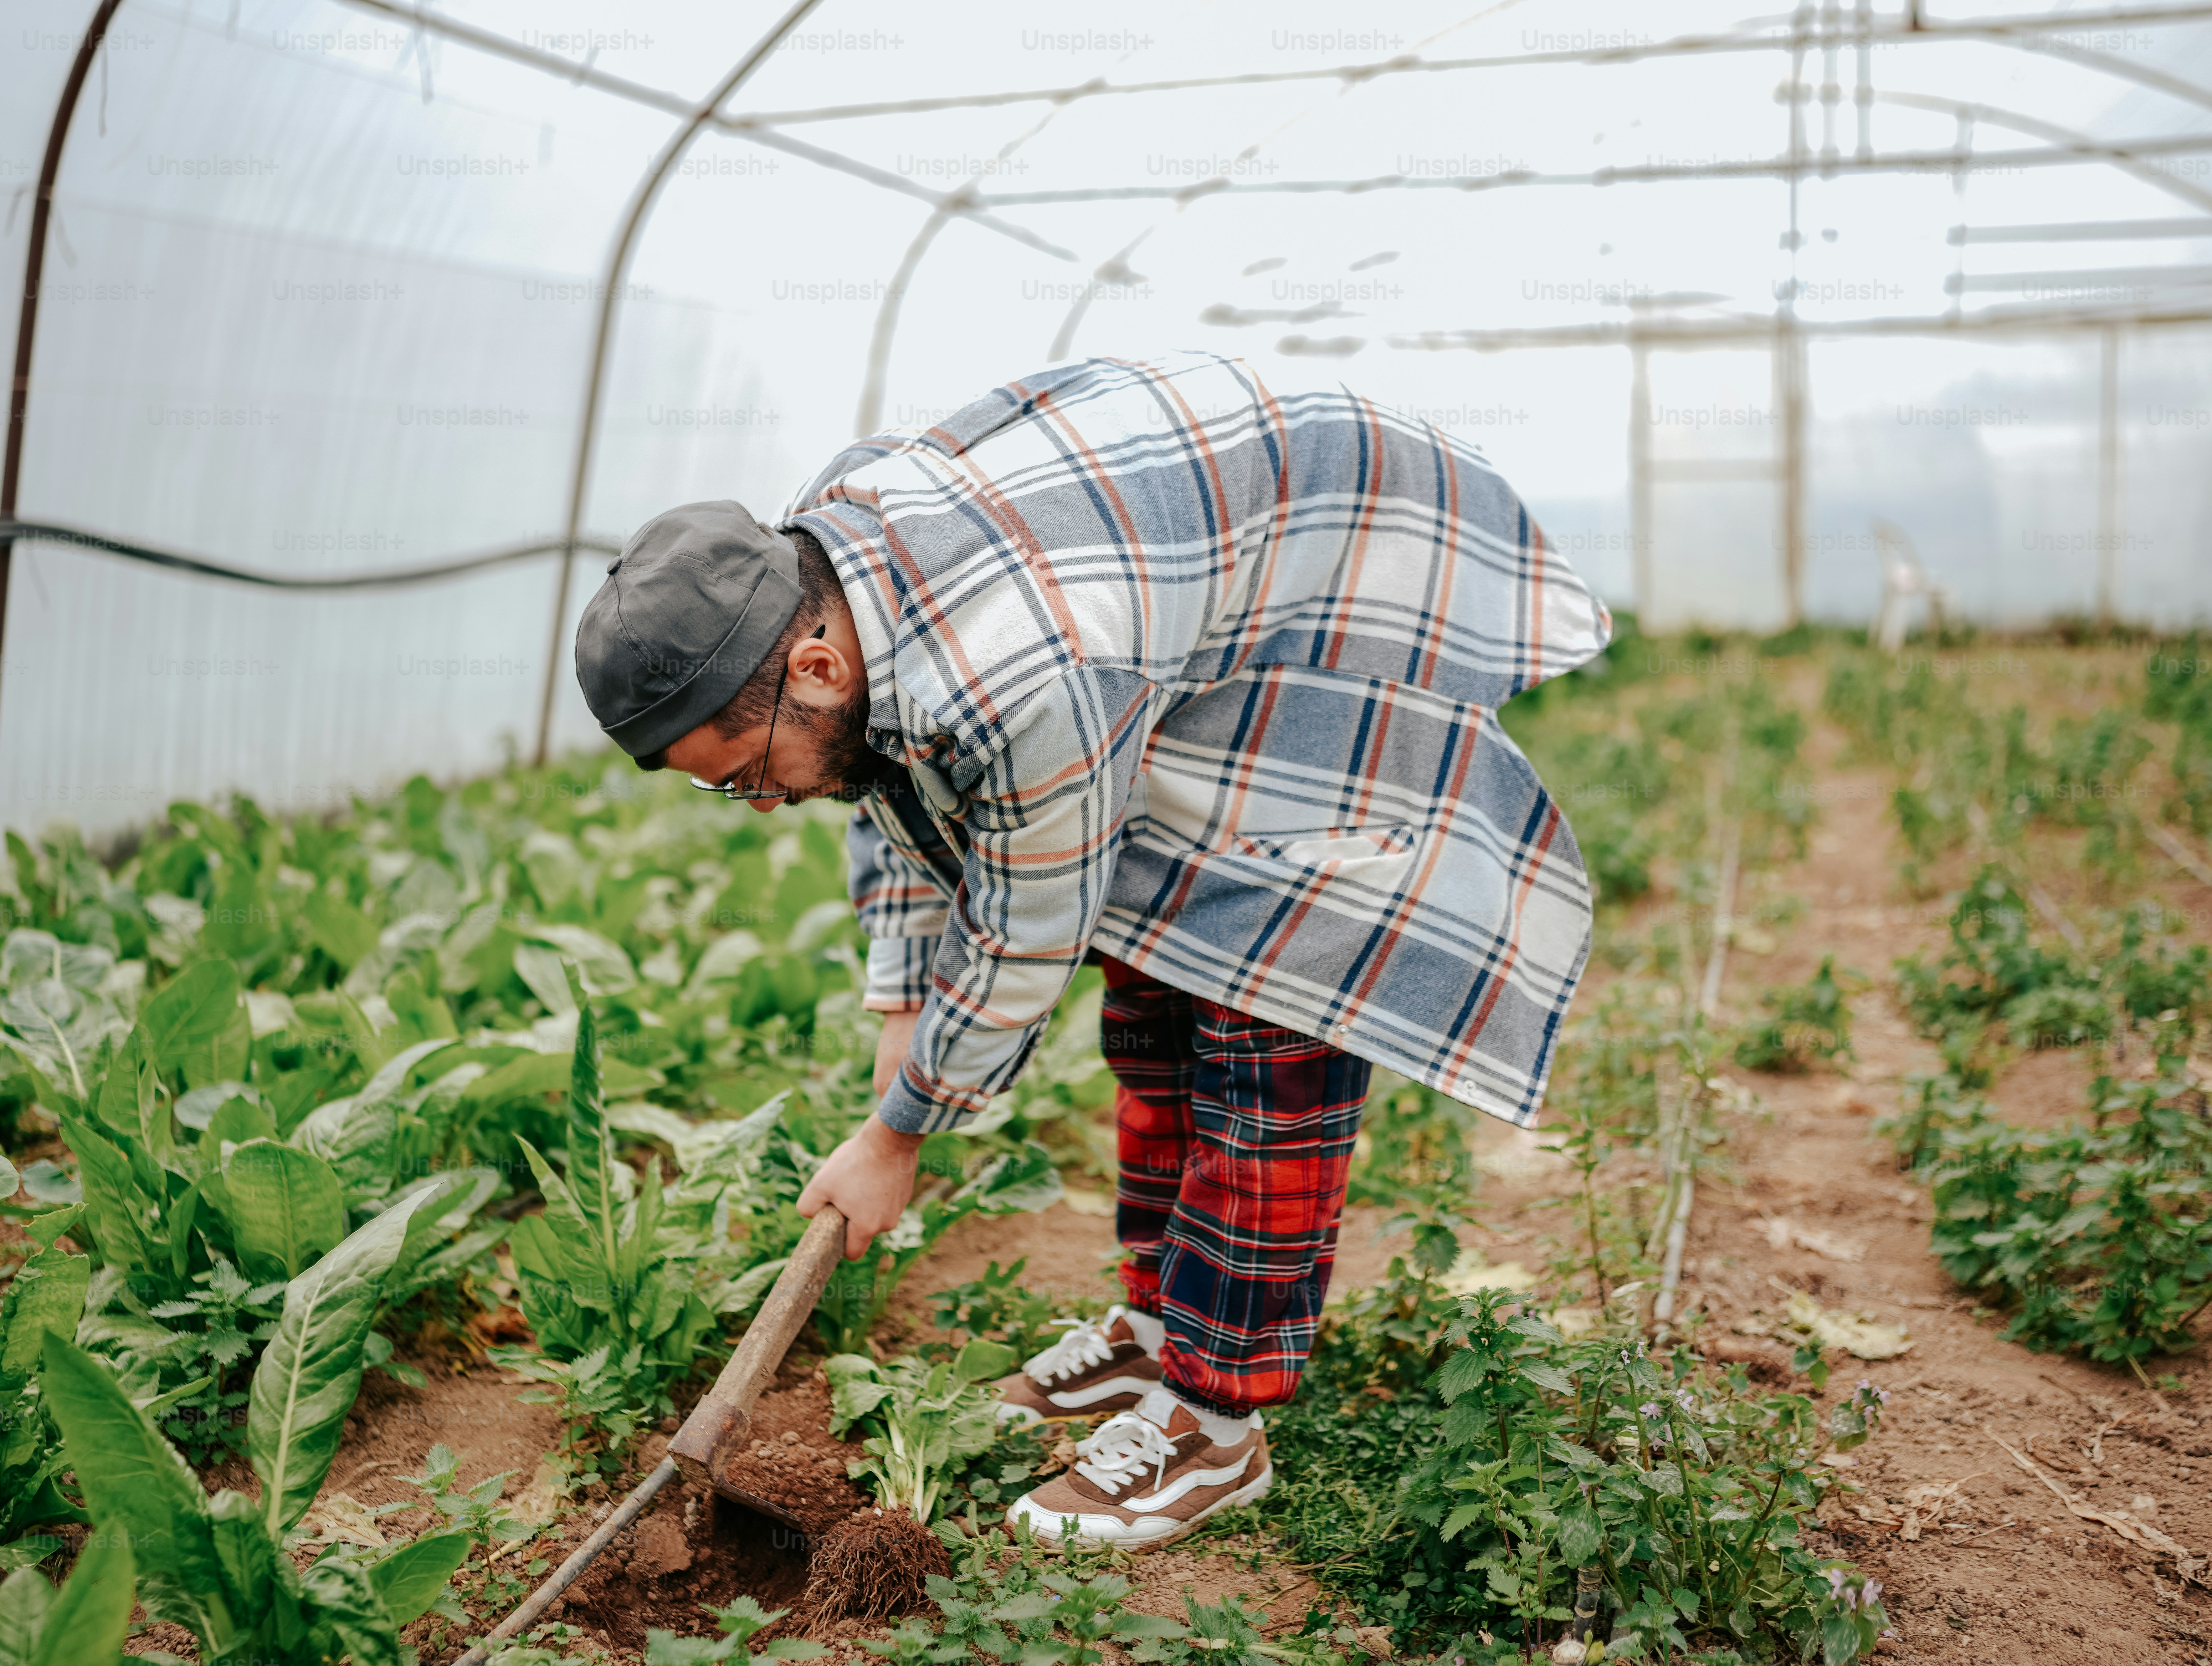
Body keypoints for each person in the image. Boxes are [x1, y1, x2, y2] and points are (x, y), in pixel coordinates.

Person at [574, 350, 1610, 1550]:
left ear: (816, 669)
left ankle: (1217, 1425)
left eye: (751, 776)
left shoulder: (1021, 668)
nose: (762, 803)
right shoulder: (834, 579)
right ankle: (1165, 1326)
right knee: (1154, 985)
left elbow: (1030, 925)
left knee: (1272, 1016)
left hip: (1357, 564)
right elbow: (891, 797)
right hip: (1178, 591)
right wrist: (901, 1018)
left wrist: (901, 1133)